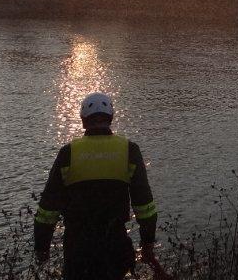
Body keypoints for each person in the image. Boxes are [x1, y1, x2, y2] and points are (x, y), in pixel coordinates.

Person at [34, 91, 158, 279]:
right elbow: (144, 205)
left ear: (83, 121)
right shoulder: (129, 150)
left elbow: (48, 209)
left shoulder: (68, 153)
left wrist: (42, 247)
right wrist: (147, 243)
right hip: (115, 245)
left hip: (77, 248)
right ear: (111, 118)